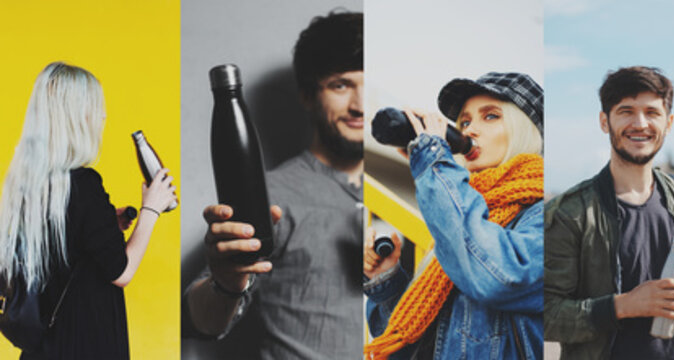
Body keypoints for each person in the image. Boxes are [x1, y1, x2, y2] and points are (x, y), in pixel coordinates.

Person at [182, 11, 368, 358]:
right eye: (341, 84)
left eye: (370, 84)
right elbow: (199, 322)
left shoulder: (417, 192)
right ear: (308, 95)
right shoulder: (271, 197)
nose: (360, 105)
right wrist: (225, 281)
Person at [543, 66, 674, 360]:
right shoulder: (570, 212)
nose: (640, 123)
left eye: (652, 112)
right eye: (626, 111)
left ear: (669, 122)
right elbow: (545, 313)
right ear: (605, 121)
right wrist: (623, 305)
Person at [361, 72, 547, 359]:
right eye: (465, 121)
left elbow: (499, 277)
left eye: (491, 116)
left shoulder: (545, 217)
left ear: (524, 129)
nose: (470, 130)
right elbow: (411, 351)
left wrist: (434, 163)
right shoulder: (461, 210)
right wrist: (385, 281)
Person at [0, 62, 175, 359]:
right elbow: (121, 272)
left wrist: (106, 224)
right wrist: (151, 209)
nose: (103, 115)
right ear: (75, 117)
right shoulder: (83, 184)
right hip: (86, 343)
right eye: (95, 107)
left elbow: (63, 245)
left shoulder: (24, 185)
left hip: (43, 348)